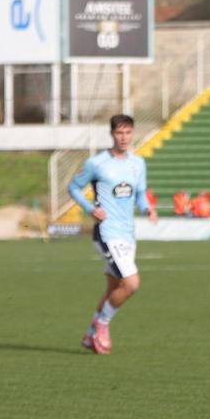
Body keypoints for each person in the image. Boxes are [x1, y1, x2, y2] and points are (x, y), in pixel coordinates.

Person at [68, 114, 158, 355]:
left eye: (128, 132)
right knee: (131, 283)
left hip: (128, 233)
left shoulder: (138, 163)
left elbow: (140, 193)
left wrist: (147, 207)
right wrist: (90, 209)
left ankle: (89, 336)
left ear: (133, 133)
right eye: (120, 133)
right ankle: (102, 324)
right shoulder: (97, 163)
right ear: (112, 134)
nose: (124, 137)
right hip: (107, 233)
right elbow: (74, 188)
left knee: (113, 289)